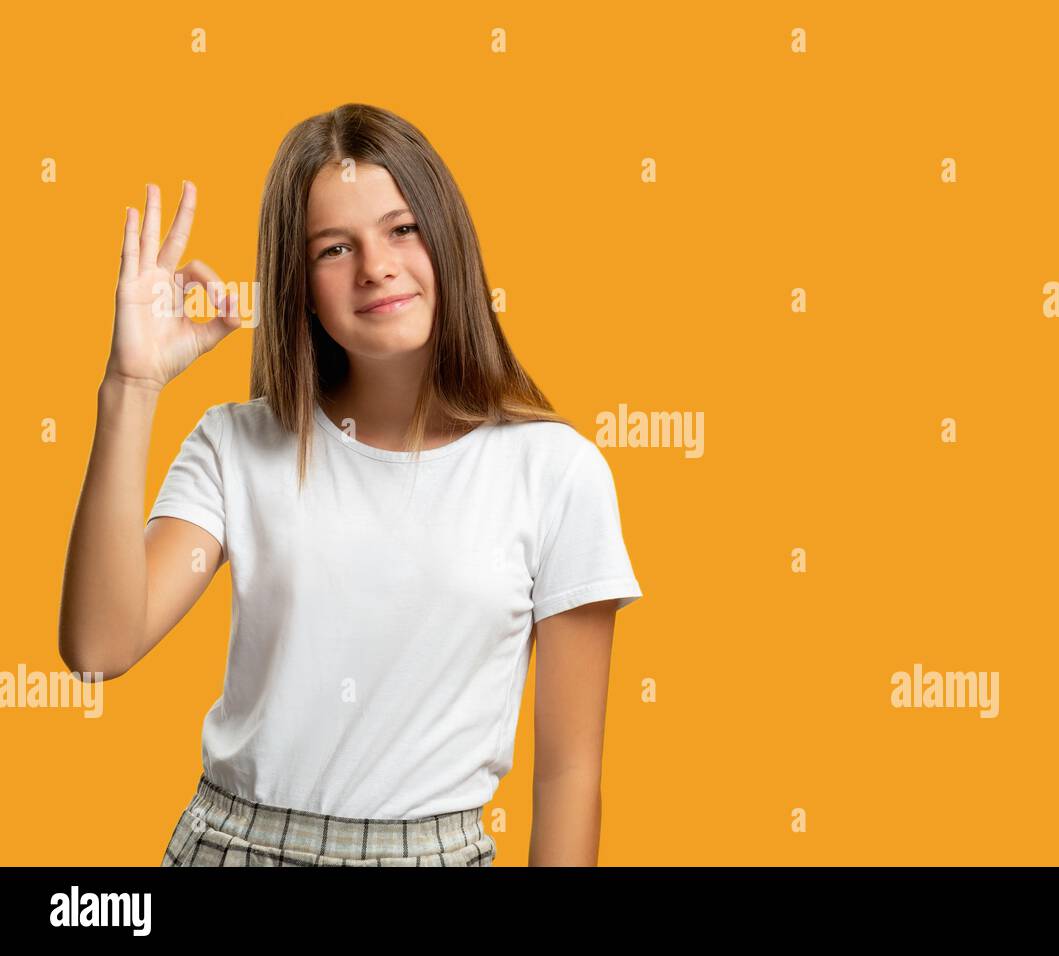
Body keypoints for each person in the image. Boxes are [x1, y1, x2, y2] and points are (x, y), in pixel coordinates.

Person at [58, 103, 644, 867]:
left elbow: (570, 776)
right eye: (335, 248)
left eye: (402, 229)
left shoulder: (556, 471)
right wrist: (130, 387)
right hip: (233, 847)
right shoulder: (238, 444)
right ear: (299, 285)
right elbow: (98, 647)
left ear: (450, 239)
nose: (376, 266)